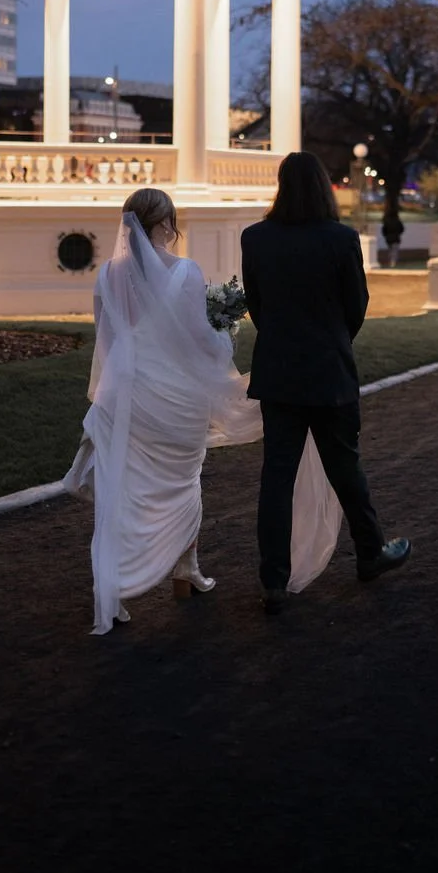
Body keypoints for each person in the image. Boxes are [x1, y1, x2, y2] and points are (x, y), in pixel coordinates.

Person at [61, 187, 341, 634]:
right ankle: (183, 569)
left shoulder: (107, 275)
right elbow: (196, 341)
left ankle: (123, 586)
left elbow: (108, 342)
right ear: (165, 223)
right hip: (175, 398)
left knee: (126, 492)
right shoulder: (185, 272)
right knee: (186, 482)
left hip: (127, 396)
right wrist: (223, 338)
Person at [241, 152, 413, 614]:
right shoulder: (341, 239)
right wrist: (333, 339)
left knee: (276, 478)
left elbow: (257, 305)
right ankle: (370, 553)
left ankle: (273, 580)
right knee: (345, 468)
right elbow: (356, 305)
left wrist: (283, 339)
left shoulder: (255, 238)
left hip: (278, 373)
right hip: (328, 371)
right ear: (323, 187)